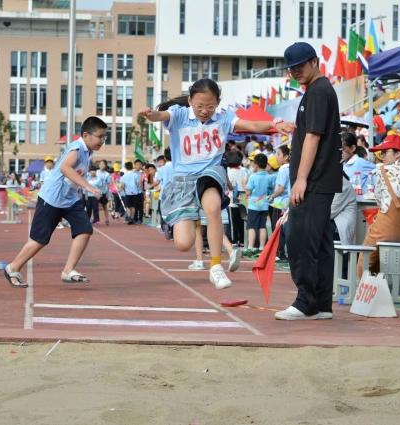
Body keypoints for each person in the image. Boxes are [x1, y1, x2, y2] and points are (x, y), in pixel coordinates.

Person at [140, 78, 293, 289]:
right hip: (184, 181)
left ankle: (215, 267)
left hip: (210, 173)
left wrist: (274, 123)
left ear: (218, 103)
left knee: (212, 208)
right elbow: (162, 115)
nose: (205, 111)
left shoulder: (223, 118)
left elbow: (251, 125)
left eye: (210, 106)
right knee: (183, 243)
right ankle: (190, 227)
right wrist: (151, 115)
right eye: (200, 106)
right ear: (191, 100)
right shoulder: (180, 114)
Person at [274, 42, 342, 320]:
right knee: (321, 242)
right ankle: (322, 303)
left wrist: (300, 179)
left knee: (300, 238)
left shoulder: (318, 91)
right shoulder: (319, 91)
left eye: (300, 66)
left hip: (313, 180)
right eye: (292, 68)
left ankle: (306, 302)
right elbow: (311, 133)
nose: (296, 72)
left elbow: (313, 136)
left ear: (314, 62)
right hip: (322, 179)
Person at [3, 116, 107, 288]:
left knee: (85, 229)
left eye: (105, 137)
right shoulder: (76, 148)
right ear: (86, 135)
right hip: (52, 198)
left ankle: (68, 270)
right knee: (39, 240)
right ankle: (12, 268)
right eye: (100, 136)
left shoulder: (88, 152)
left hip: (69, 200)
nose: (102, 140)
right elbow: (65, 168)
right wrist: (88, 187)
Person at [357, 135, 400, 274]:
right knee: (381, 249)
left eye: (384, 153)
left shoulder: (381, 170)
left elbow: (380, 201)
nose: (382, 157)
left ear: (398, 153)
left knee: (366, 257)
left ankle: (360, 287)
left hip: (386, 230)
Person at [245, 153, 274, 254]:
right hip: (264, 204)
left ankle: (250, 247)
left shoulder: (253, 177)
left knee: (251, 226)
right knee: (262, 226)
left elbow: (248, 191)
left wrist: (244, 186)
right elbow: (271, 189)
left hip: (253, 204)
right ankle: (262, 247)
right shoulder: (269, 177)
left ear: (256, 165)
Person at [97, 159, 111, 225]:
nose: (102, 165)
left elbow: (108, 184)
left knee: (105, 206)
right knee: (94, 206)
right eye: (100, 164)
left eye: (103, 164)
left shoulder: (107, 174)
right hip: (95, 192)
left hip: (104, 192)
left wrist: (108, 193)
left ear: (105, 165)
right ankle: (95, 219)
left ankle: (107, 219)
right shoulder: (96, 172)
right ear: (99, 165)